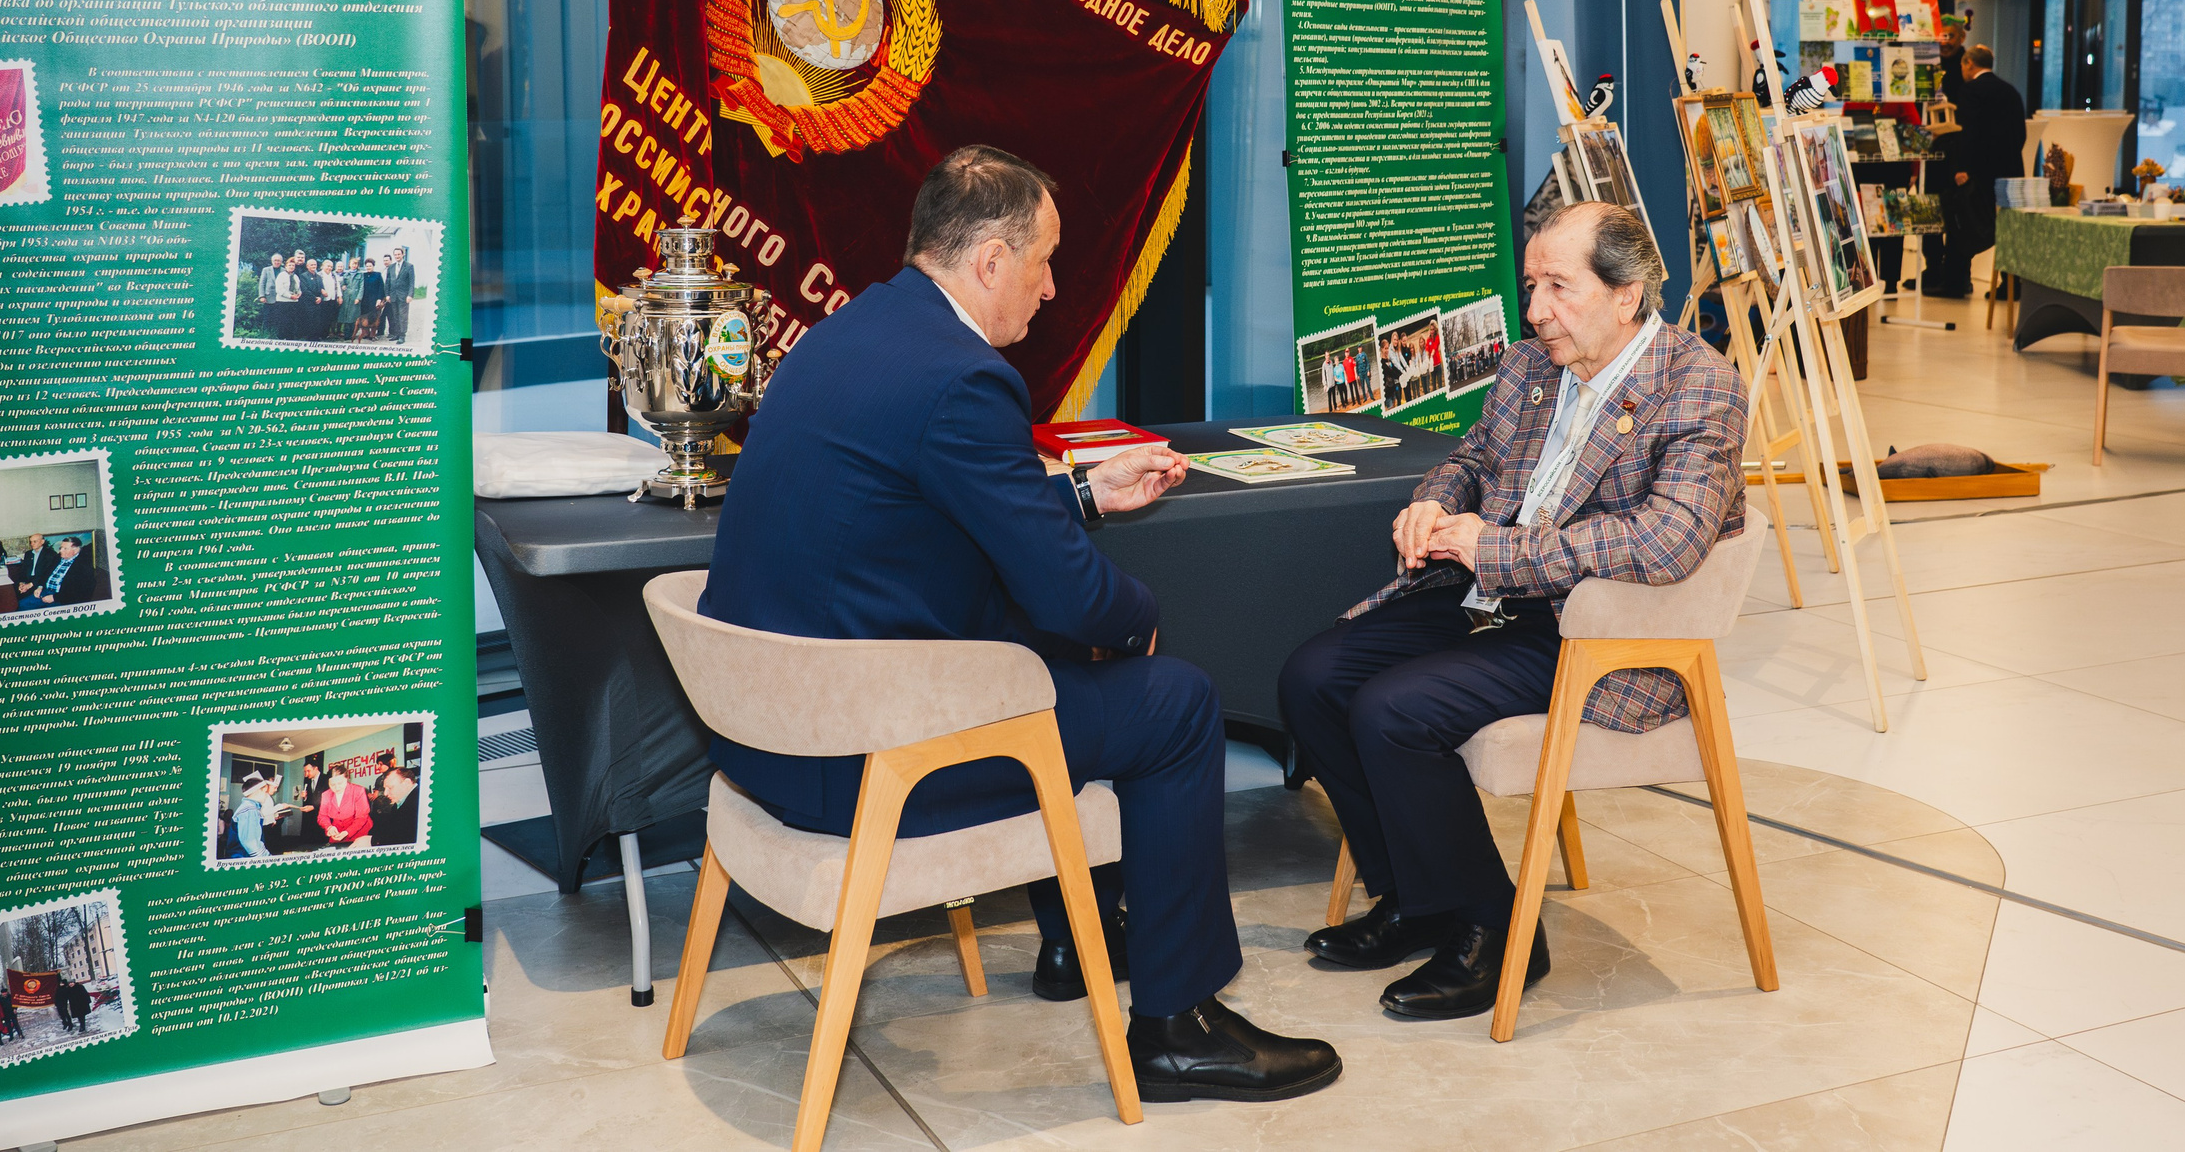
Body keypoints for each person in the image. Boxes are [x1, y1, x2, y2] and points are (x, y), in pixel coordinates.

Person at [704, 145, 1342, 1103]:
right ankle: (1177, 1027)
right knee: (1173, 703)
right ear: (991, 261)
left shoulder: (853, 332)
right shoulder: (965, 378)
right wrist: (1138, 621)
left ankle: (1083, 939)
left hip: (765, 737)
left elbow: (928, 510)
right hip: (859, 767)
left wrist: (1081, 491)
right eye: (1043, 262)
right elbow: (1074, 597)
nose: (1051, 287)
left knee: (1045, 659)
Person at [1279, 201, 1749, 1022]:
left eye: (1558, 287)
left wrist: (1499, 549)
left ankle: (1497, 931)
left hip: (1591, 630)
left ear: (1627, 294)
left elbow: (1667, 540)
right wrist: (1434, 502)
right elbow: (1471, 457)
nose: (1535, 310)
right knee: (1311, 677)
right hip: (1493, 599)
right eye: (1532, 285)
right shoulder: (1532, 365)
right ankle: (1418, 898)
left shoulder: (1698, 384)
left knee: (1393, 710)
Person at [1922, 44, 2027, 298]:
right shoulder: (2010, 91)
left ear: (1969, 63)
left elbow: (1968, 134)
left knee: (1962, 222)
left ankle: (1955, 281)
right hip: (2010, 169)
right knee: (2007, 227)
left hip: (1979, 172)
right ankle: (2011, 285)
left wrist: (1962, 168)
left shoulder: (1971, 91)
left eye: (1962, 65)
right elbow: (2020, 133)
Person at [22, 536, 97, 609]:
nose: (61, 550)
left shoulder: (84, 566)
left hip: (62, 598)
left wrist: (55, 598)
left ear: (75, 550)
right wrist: (40, 587)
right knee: (22, 604)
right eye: (61, 548)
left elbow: (80, 591)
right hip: (45, 591)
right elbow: (46, 573)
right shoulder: (57, 558)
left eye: (65, 548)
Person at [316, 764, 373, 848]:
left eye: (340, 783)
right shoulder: (326, 795)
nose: (337, 787)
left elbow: (362, 817)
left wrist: (347, 832)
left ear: (347, 778)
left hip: (360, 831)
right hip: (338, 832)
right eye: (332, 784)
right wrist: (329, 827)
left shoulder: (358, 791)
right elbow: (322, 816)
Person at [230, 771, 277, 857]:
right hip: (243, 857)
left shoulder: (249, 807)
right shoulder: (250, 810)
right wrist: (267, 858)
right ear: (257, 791)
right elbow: (252, 845)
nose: (266, 795)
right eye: (265, 792)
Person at [372, 766, 421, 847]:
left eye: (390, 788)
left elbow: (402, 839)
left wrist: (373, 841)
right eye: (385, 789)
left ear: (407, 783)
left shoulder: (419, 803)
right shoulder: (399, 802)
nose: (385, 793)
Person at [383, 245, 416, 344]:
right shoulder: (391, 267)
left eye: (399, 254)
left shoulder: (409, 266)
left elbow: (411, 282)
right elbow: (387, 282)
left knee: (403, 316)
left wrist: (410, 295)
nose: (397, 256)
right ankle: (396, 334)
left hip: (404, 296)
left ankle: (402, 335)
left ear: (403, 254)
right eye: (395, 254)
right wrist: (387, 295)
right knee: (395, 315)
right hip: (393, 296)